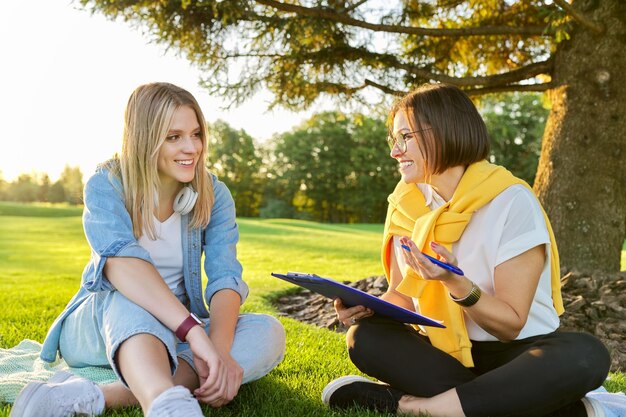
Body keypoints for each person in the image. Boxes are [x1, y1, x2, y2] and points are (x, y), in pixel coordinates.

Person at [322, 83, 613, 417]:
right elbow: (401, 297)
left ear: (445, 132)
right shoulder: (405, 203)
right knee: (366, 337)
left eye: (406, 137)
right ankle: (535, 407)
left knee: (586, 354)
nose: (395, 151)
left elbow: (511, 324)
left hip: (518, 354)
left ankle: (413, 406)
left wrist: (454, 282)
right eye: (394, 139)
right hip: (442, 351)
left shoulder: (510, 201)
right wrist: (364, 309)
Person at [10, 82, 286, 417]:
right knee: (136, 295)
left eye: (196, 134)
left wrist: (221, 352)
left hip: (177, 330)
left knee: (266, 332)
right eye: (174, 137)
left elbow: (225, 276)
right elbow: (123, 268)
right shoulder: (106, 184)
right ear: (145, 137)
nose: (191, 147)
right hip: (102, 323)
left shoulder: (214, 193)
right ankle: (164, 403)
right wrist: (196, 334)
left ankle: (97, 397)